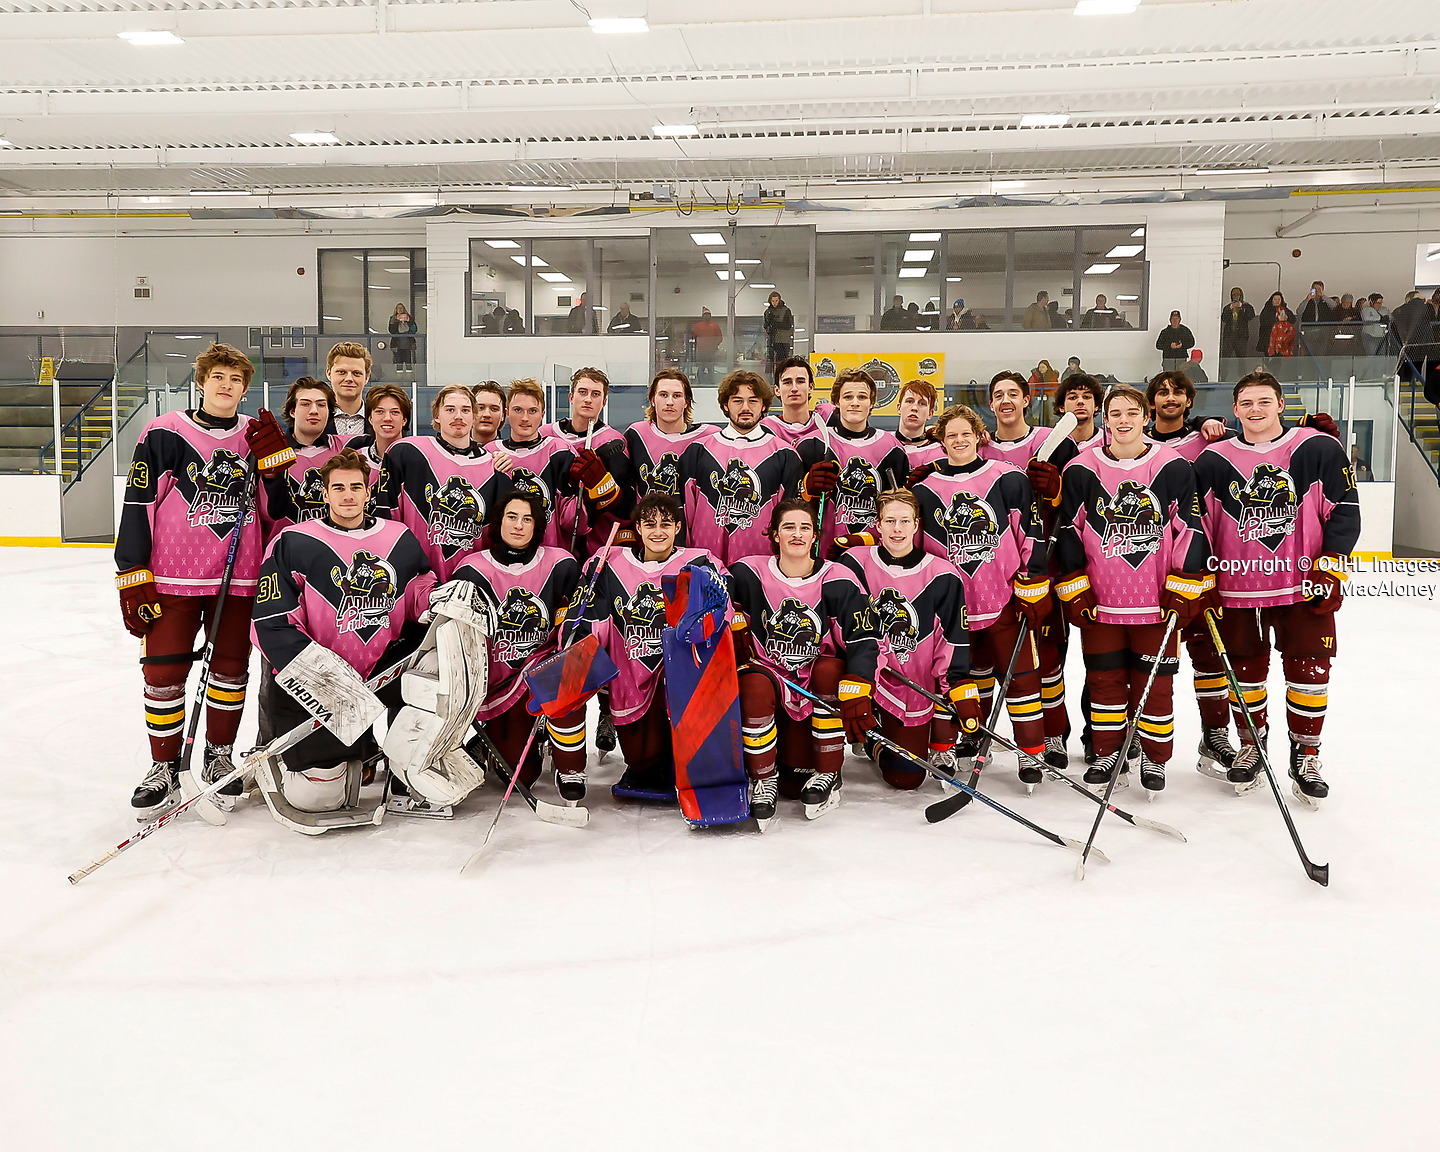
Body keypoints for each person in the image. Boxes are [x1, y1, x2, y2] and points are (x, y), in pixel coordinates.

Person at [115, 343, 285, 817]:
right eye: (218, 377)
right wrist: (132, 570)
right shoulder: (164, 432)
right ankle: (164, 766)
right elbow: (139, 502)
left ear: (245, 388)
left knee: (230, 671)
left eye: (235, 379)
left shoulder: (256, 435)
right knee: (164, 674)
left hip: (239, 578)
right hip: (173, 578)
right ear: (202, 381)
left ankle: (218, 754)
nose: (226, 386)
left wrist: (275, 471)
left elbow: (277, 514)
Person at [1193, 371, 1360, 801]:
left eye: (1264, 402)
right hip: (1237, 588)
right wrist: (1202, 575)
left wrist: (1331, 564)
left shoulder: (1316, 448)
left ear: (1281, 405)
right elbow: (1198, 525)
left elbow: (1345, 509)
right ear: (1234, 410)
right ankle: (1251, 745)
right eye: (1246, 403)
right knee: (1245, 672)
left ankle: (1305, 753)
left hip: (1302, 584)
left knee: (1310, 671)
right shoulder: (1213, 460)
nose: (1255, 410)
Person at [251, 448, 436, 825]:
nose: (348, 495)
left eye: (356, 487)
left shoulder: (399, 538)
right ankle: (301, 765)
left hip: (384, 668)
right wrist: (320, 672)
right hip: (322, 677)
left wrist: (441, 600)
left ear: (369, 492)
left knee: (432, 674)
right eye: (338, 488)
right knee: (318, 797)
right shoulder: (293, 541)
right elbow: (272, 619)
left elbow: (420, 591)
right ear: (324, 493)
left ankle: (395, 763)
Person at [1053, 386, 1211, 795]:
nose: (1123, 420)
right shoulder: (1082, 469)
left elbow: (1190, 529)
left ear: (1145, 417)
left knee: (1155, 683)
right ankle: (1108, 751)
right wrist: (1075, 587)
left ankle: (1155, 759)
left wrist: (1182, 585)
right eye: (1115, 413)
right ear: (1106, 420)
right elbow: (1069, 530)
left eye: (1131, 412)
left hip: (1155, 603)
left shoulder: (1173, 466)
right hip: (1102, 603)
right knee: (1104, 680)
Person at [910, 405, 1051, 786]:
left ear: (978, 436)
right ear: (940, 440)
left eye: (965, 434)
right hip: (951, 607)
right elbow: (918, 548)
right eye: (950, 435)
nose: (958, 441)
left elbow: (1031, 533)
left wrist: (1032, 583)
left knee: (1020, 678)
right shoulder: (924, 490)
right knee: (954, 678)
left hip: (1002, 598)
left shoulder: (1008, 478)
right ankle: (949, 746)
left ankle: (1030, 753)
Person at [570, 492, 725, 799]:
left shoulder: (699, 561)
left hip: (681, 672)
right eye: (649, 524)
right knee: (643, 758)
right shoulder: (607, 561)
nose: (658, 531)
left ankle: (694, 765)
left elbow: (722, 606)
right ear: (638, 528)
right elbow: (587, 615)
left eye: (666, 524)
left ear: (678, 527)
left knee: (681, 742)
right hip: (630, 672)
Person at [730, 499, 881, 815]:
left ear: (815, 536)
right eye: (788, 527)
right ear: (774, 534)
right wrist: (735, 619)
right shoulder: (748, 570)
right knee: (752, 684)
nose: (797, 534)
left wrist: (860, 682)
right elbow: (712, 588)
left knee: (831, 670)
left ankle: (828, 771)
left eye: (805, 528)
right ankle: (763, 779)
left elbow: (864, 637)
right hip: (771, 676)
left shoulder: (837, 576)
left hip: (816, 681)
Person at [833, 490, 981, 788]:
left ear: (916, 525)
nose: (897, 529)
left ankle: (877, 743)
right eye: (889, 521)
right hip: (863, 674)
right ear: (877, 524)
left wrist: (958, 686)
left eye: (904, 521)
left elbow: (952, 636)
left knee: (906, 777)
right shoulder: (853, 563)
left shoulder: (942, 574)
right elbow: (837, 619)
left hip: (911, 681)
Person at [446, 491, 586, 798]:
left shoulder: (560, 563)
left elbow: (580, 618)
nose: (519, 525)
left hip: (544, 669)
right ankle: (498, 742)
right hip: (499, 680)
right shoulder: (471, 569)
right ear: (498, 522)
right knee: (520, 775)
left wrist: (569, 624)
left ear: (537, 526)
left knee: (573, 671)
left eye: (527, 519)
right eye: (512, 517)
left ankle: (570, 766)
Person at [377, 384, 511, 581]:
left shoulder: (495, 468)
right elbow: (385, 516)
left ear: (473, 417)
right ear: (437, 416)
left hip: (470, 584)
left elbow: (499, 540)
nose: (458, 416)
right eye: (450, 409)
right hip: (414, 578)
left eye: (465, 410)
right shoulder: (407, 453)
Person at [680, 369, 807, 567]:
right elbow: (684, 513)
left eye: (753, 400)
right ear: (725, 405)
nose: (745, 407)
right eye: (737, 400)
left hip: (762, 569)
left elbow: (790, 519)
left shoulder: (785, 455)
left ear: (764, 405)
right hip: (704, 567)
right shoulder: (698, 451)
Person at [796, 367, 908, 555]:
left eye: (862, 397)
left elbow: (901, 509)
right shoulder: (813, 445)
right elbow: (793, 505)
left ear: (872, 403)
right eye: (848, 397)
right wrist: (807, 491)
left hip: (874, 554)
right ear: (836, 402)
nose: (855, 403)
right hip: (821, 553)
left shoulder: (892, 449)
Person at [482, 378, 588, 549]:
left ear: (542, 414)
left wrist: (585, 490)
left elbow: (575, 523)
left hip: (549, 555)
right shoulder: (490, 452)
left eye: (532, 411)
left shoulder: (559, 451)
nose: (525, 418)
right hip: (501, 556)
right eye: (518, 410)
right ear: (507, 412)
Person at [540, 367, 629, 556]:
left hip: (595, 542)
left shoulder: (614, 441)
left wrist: (599, 485)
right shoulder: (545, 434)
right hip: (550, 538)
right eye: (583, 392)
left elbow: (625, 503)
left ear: (604, 402)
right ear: (571, 397)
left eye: (595, 394)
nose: (588, 399)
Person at [257, 377, 346, 540]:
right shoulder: (272, 452)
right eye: (305, 404)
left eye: (321, 404)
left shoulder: (345, 449)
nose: (314, 410)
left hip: (334, 548)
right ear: (292, 411)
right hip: (284, 551)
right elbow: (267, 513)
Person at [624, 369, 716, 502]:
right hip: (647, 521)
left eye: (677, 396)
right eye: (663, 395)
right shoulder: (636, 434)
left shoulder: (708, 437)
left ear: (686, 402)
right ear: (652, 400)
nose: (670, 402)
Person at [763, 356, 834, 445]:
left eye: (800, 381)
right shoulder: (766, 428)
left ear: (810, 387)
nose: (794, 388)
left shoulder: (827, 418)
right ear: (777, 390)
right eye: (787, 382)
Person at [346, 384, 411, 478]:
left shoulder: (417, 458)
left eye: (395, 412)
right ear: (370, 418)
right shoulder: (356, 461)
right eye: (379, 411)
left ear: (404, 420)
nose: (387, 418)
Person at [895, 378, 944, 470]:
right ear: (899, 408)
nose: (914, 408)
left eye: (922, 403)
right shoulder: (883, 444)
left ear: (930, 414)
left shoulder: (940, 452)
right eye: (909, 401)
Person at [326, 341, 372, 438]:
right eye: (341, 372)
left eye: (357, 373)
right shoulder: (316, 417)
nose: (349, 379)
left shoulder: (379, 419)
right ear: (329, 373)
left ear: (367, 377)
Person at [1299, 280, 1338, 358]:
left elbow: (1334, 306)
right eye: (1314, 289)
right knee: (1309, 352)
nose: (1316, 291)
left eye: (1318, 289)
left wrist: (1323, 296)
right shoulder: (1308, 301)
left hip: (1323, 331)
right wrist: (1307, 299)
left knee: (1321, 353)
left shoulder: (1325, 301)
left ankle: (1319, 368)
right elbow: (1299, 311)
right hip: (1310, 330)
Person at [1255, 291, 1297, 359]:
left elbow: (1293, 319)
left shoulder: (1285, 309)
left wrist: (1287, 318)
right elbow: (1263, 321)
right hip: (1269, 341)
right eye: (1275, 299)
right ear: (1271, 300)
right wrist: (1277, 319)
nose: (1277, 301)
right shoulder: (1267, 310)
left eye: (1279, 299)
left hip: (1283, 342)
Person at [1220, 288, 1256, 361]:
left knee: (1241, 360)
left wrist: (1242, 307)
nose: (1236, 296)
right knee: (1225, 359)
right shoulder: (1227, 307)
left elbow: (1250, 316)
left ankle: (1242, 373)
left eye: (1237, 294)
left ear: (1241, 295)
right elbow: (1224, 319)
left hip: (1241, 337)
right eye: (1234, 295)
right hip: (1229, 336)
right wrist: (1230, 309)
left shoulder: (1247, 306)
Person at [690, 307, 723, 386]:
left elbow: (719, 337)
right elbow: (693, 337)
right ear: (703, 316)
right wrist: (698, 346)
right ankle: (700, 381)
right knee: (701, 366)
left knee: (710, 367)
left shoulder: (715, 325)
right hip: (701, 351)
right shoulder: (698, 326)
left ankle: (711, 381)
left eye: (708, 314)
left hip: (711, 351)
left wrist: (714, 346)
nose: (707, 316)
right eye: (705, 314)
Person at [470, 380, 506, 448]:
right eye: (480, 408)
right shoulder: (452, 454)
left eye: (494, 409)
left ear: (503, 415)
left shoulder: (510, 455)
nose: (487, 415)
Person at [763, 291, 795, 368]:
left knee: (782, 361)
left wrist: (775, 324)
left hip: (783, 340)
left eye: (776, 301)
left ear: (779, 300)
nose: (774, 303)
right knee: (770, 360)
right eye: (772, 301)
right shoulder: (767, 312)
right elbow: (765, 325)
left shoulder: (786, 311)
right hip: (772, 339)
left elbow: (788, 325)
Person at [388, 304, 418, 376]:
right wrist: (397, 321)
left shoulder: (409, 318)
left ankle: (409, 378)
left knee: (408, 362)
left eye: (401, 308)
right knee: (398, 363)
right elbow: (391, 331)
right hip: (397, 345)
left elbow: (414, 330)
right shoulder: (393, 318)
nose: (400, 310)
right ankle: (399, 379)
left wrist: (408, 321)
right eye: (398, 308)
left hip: (408, 344)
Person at [1360, 293, 1390, 358]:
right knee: (1371, 355)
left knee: (1382, 356)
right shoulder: (1366, 309)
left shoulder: (1384, 309)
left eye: (1381, 303)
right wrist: (1380, 318)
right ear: (1372, 302)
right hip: (1370, 335)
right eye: (1377, 303)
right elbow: (1367, 319)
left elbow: (1390, 317)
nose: (1379, 305)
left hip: (1382, 335)